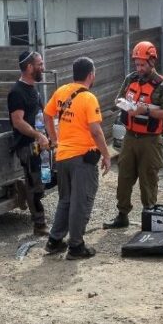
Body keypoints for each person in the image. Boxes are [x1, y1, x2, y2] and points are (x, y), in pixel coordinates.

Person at [42, 57, 111, 260]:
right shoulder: (89, 98)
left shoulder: (61, 91)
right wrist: (106, 155)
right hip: (82, 159)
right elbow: (96, 131)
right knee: (80, 202)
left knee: (65, 200)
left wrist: (55, 140)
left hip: (63, 156)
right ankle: (76, 246)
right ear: (91, 75)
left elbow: (47, 115)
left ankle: (54, 241)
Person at [104, 41, 163, 229]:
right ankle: (122, 216)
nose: (139, 68)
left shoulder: (162, 85)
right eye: (137, 64)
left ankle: (150, 217)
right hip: (130, 137)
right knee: (124, 177)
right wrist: (123, 105)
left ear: (152, 62)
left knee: (148, 179)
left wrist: (146, 110)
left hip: (150, 140)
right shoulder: (130, 79)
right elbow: (118, 99)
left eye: (142, 64)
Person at [8, 50, 51, 236]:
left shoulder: (33, 88)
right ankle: (39, 225)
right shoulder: (16, 92)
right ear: (29, 67)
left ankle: (24, 190)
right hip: (27, 146)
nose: (43, 67)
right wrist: (37, 135)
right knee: (35, 186)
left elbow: (40, 114)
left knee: (46, 179)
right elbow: (18, 122)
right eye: (40, 64)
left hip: (40, 144)